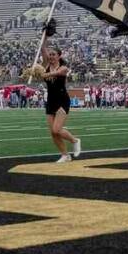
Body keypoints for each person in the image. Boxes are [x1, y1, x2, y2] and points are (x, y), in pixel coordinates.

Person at [38, 21, 81, 163]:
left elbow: (57, 73)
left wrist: (42, 74)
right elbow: (42, 47)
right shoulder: (46, 64)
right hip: (51, 100)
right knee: (52, 132)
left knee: (57, 129)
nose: (50, 56)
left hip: (62, 100)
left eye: (53, 54)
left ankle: (74, 140)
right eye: (50, 55)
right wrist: (45, 34)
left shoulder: (63, 67)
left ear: (59, 56)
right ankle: (65, 155)